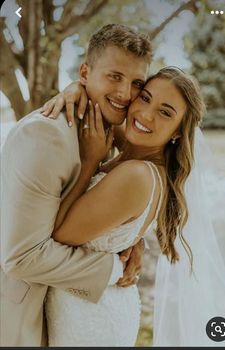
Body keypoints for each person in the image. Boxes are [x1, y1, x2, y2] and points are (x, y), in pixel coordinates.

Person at [42, 68, 225, 346]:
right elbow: (97, 98)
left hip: (90, 317)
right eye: (145, 98)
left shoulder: (136, 175)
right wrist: (74, 88)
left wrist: (89, 162)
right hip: (88, 300)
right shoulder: (136, 147)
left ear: (179, 132)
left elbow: (60, 234)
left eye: (165, 112)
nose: (146, 114)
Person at [0, 24, 152, 347]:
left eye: (137, 83)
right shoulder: (46, 136)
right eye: (114, 76)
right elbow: (21, 257)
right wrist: (113, 268)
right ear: (85, 72)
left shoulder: (110, 129)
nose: (126, 93)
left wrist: (131, 238)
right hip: (22, 319)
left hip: (72, 316)